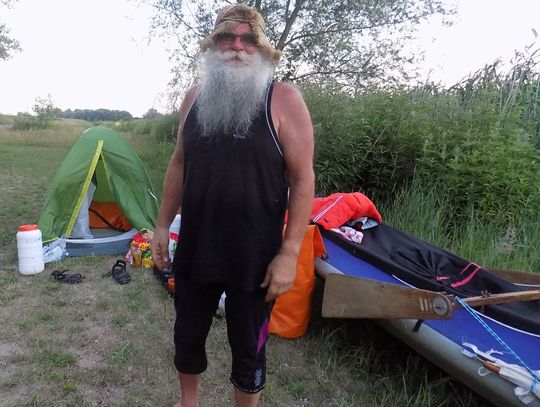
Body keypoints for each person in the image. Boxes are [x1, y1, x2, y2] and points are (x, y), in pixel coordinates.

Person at [151, 4, 314, 407]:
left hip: (254, 256)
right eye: (227, 37)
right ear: (213, 45)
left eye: (247, 39)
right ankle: (188, 401)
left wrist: (290, 253)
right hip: (197, 245)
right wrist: (162, 226)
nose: (237, 47)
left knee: (248, 348)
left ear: (262, 49)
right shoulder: (194, 98)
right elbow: (179, 164)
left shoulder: (284, 100)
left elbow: (303, 179)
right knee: (187, 335)